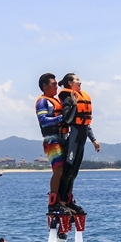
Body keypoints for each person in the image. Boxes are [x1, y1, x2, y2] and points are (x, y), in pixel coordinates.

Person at [56, 73, 101, 214]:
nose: (80, 82)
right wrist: (74, 105)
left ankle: (68, 201)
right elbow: (68, 119)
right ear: (70, 83)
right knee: (68, 171)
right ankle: (61, 202)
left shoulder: (82, 97)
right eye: (77, 80)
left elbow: (85, 123)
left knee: (74, 173)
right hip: (73, 140)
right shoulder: (68, 98)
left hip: (82, 140)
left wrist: (93, 139)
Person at [35, 73, 70, 214]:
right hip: (52, 139)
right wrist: (62, 117)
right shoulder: (43, 102)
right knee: (59, 169)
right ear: (45, 86)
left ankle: (65, 198)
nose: (56, 86)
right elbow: (43, 120)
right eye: (53, 84)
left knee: (67, 171)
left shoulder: (57, 101)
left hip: (64, 137)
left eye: (56, 84)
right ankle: (53, 201)